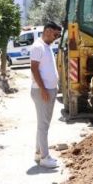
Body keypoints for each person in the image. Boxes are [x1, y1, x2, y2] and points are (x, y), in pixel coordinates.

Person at [30, 22, 62, 168]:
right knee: (44, 125)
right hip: (43, 91)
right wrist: (43, 89)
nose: (56, 38)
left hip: (49, 89)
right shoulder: (38, 46)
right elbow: (34, 69)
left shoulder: (46, 46)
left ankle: (38, 153)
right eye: (56, 34)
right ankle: (45, 157)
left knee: (42, 124)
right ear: (48, 31)